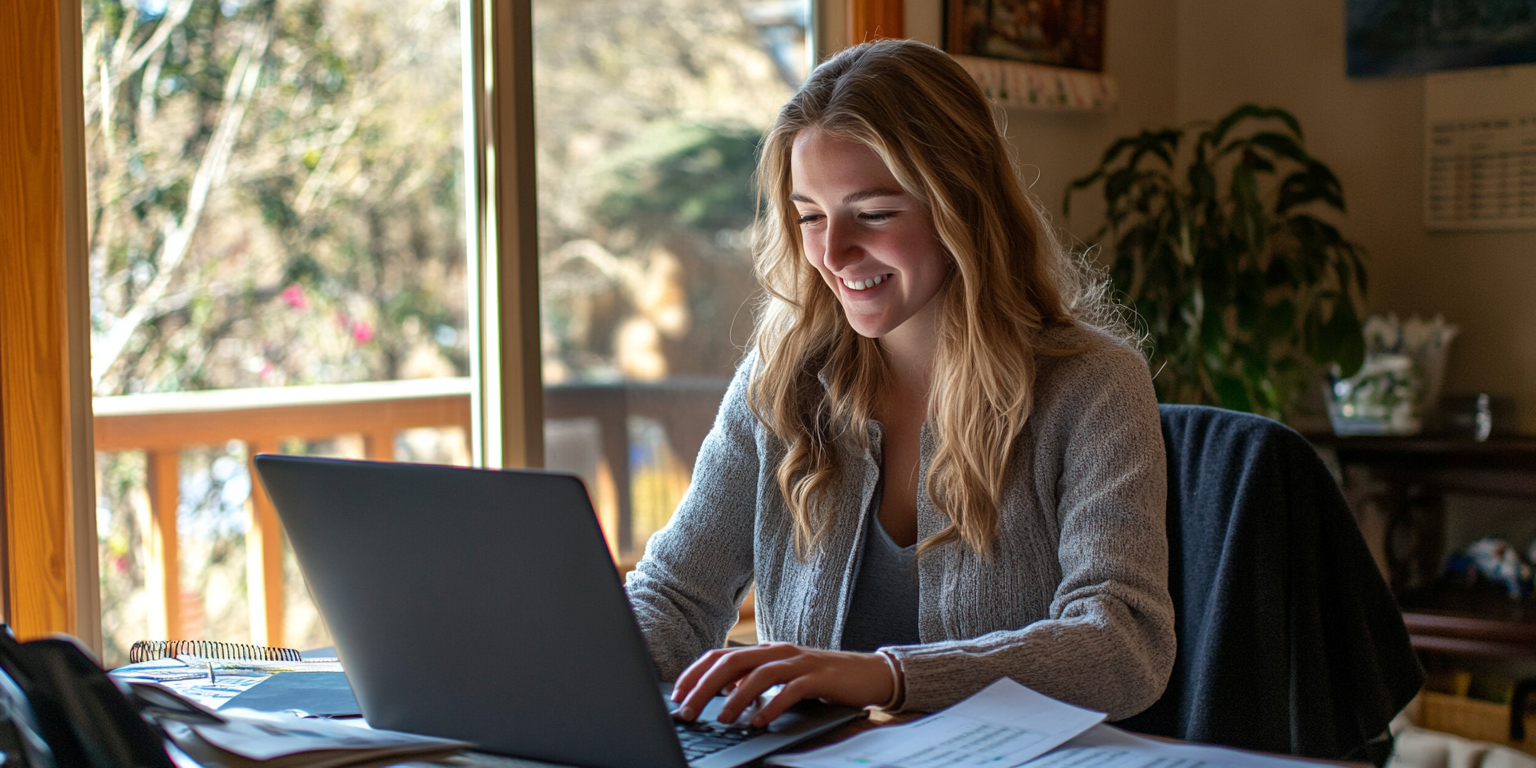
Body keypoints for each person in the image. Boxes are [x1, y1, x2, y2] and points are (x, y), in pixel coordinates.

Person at [624, 38, 1174, 729]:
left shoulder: (1094, 386)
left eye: (874, 213)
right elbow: (674, 594)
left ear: (962, 205)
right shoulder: (783, 380)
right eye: (810, 215)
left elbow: (1123, 644)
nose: (831, 253)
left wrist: (886, 677)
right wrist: (572, 668)